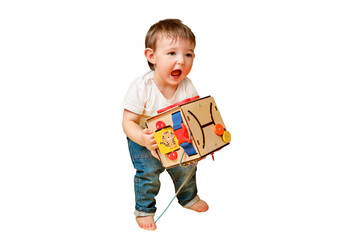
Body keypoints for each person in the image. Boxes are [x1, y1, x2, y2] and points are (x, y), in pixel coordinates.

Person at [122, 19, 208, 230]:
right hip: (145, 141)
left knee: (187, 168)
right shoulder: (142, 86)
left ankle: (188, 198)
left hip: (177, 137)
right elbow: (128, 122)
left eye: (188, 54)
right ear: (152, 56)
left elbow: (195, 115)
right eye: (172, 53)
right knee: (149, 175)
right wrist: (142, 137)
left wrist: (204, 143)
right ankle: (144, 209)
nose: (181, 61)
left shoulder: (187, 85)